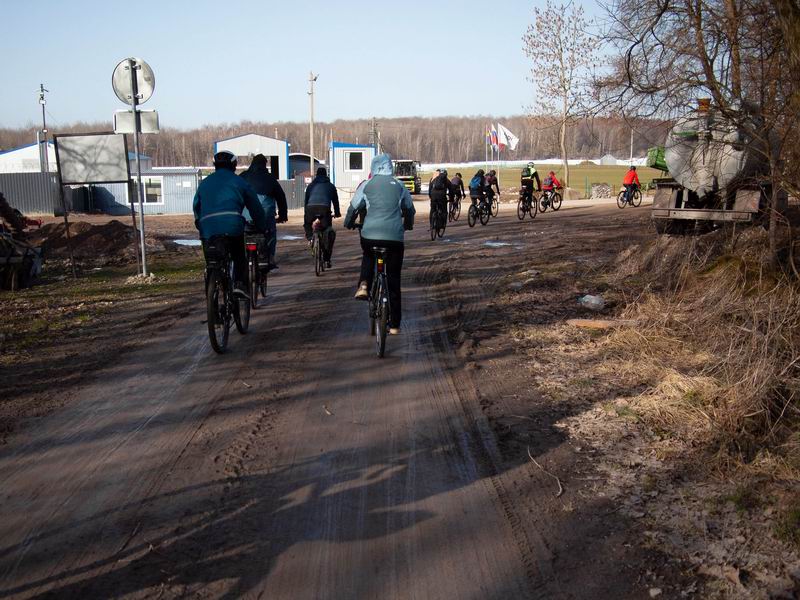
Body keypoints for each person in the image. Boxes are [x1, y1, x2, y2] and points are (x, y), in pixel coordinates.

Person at [345, 153, 415, 335]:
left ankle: (364, 285)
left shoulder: (366, 185)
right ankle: (394, 325)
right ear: (390, 167)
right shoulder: (399, 186)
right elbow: (409, 209)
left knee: (368, 254)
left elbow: (354, 206)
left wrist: (348, 222)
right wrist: (407, 225)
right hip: (394, 238)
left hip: (370, 235)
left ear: (373, 167)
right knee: (393, 279)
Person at [193, 150, 268, 298]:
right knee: (239, 256)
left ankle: (211, 287)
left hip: (208, 228)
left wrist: (200, 224)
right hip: (232, 226)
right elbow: (255, 207)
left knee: (212, 259)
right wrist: (261, 226)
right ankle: (240, 284)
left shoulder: (204, 183)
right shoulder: (239, 182)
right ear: (234, 165)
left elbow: (197, 206)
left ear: (215, 166)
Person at [239, 154, 288, 270]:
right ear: (264, 164)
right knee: (270, 233)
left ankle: (241, 259)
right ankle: (269, 257)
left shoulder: (243, 176)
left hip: (246, 214)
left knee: (242, 234)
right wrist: (282, 216)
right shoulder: (270, 178)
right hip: (265, 214)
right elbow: (281, 197)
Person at [304, 166, 341, 268]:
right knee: (328, 231)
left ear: (316, 175)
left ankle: (310, 238)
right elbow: (335, 201)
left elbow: (306, 202)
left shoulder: (311, 186)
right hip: (325, 210)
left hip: (310, 209)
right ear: (326, 175)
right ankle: (327, 259)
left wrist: (306, 215)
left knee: (307, 224)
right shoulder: (330, 186)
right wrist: (337, 213)